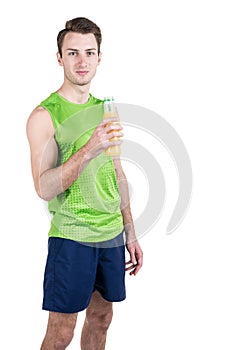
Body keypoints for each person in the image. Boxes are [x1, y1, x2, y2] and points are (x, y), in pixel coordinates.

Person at [26, 17, 143, 350]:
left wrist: (130, 231)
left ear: (99, 58)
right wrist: (89, 149)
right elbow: (44, 187)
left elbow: (117, 174)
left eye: (89, 53)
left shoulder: (107, 110)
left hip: (111, 238)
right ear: (59, 57)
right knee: (62, 334)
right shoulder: (44, 116)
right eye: (73, 52)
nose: (82, 61)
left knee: (102, 320)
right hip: (72, 237)